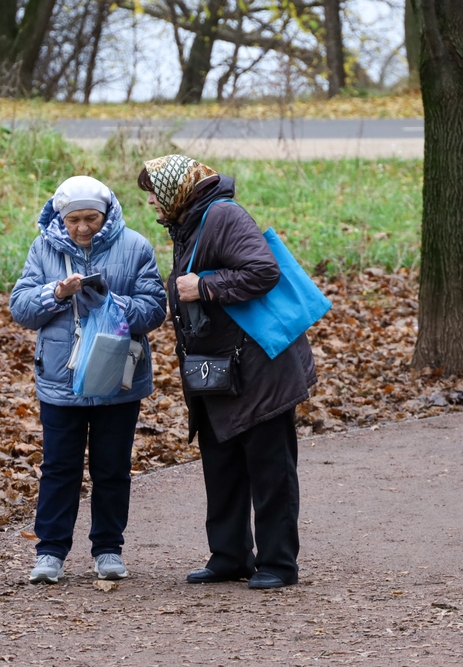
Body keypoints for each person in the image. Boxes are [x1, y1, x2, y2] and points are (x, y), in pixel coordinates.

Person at [137, 155, 317, 590]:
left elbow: (263, 270)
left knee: (269, 469)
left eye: (154, 195)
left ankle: (277, 563)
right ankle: (230, 556)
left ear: (178, 189)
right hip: (221, 370)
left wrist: (204, 286)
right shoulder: (191, 220)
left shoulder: (223, 215)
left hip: (259, 370)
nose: (151, 204)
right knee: (222, 466)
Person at [10, 175, 167, 584]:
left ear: (107, 214)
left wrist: (109, 302)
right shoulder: (43, 247)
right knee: (59, 468)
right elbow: (21, 308)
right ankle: (50, 552)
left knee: (112, 467)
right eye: (75, 219)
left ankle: (108, 549)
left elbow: (154, 309)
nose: (83, 228)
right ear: (62, 218)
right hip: (61, 379)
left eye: (91, 218)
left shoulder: (135, 247)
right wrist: (55, 295)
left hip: (118, 377)